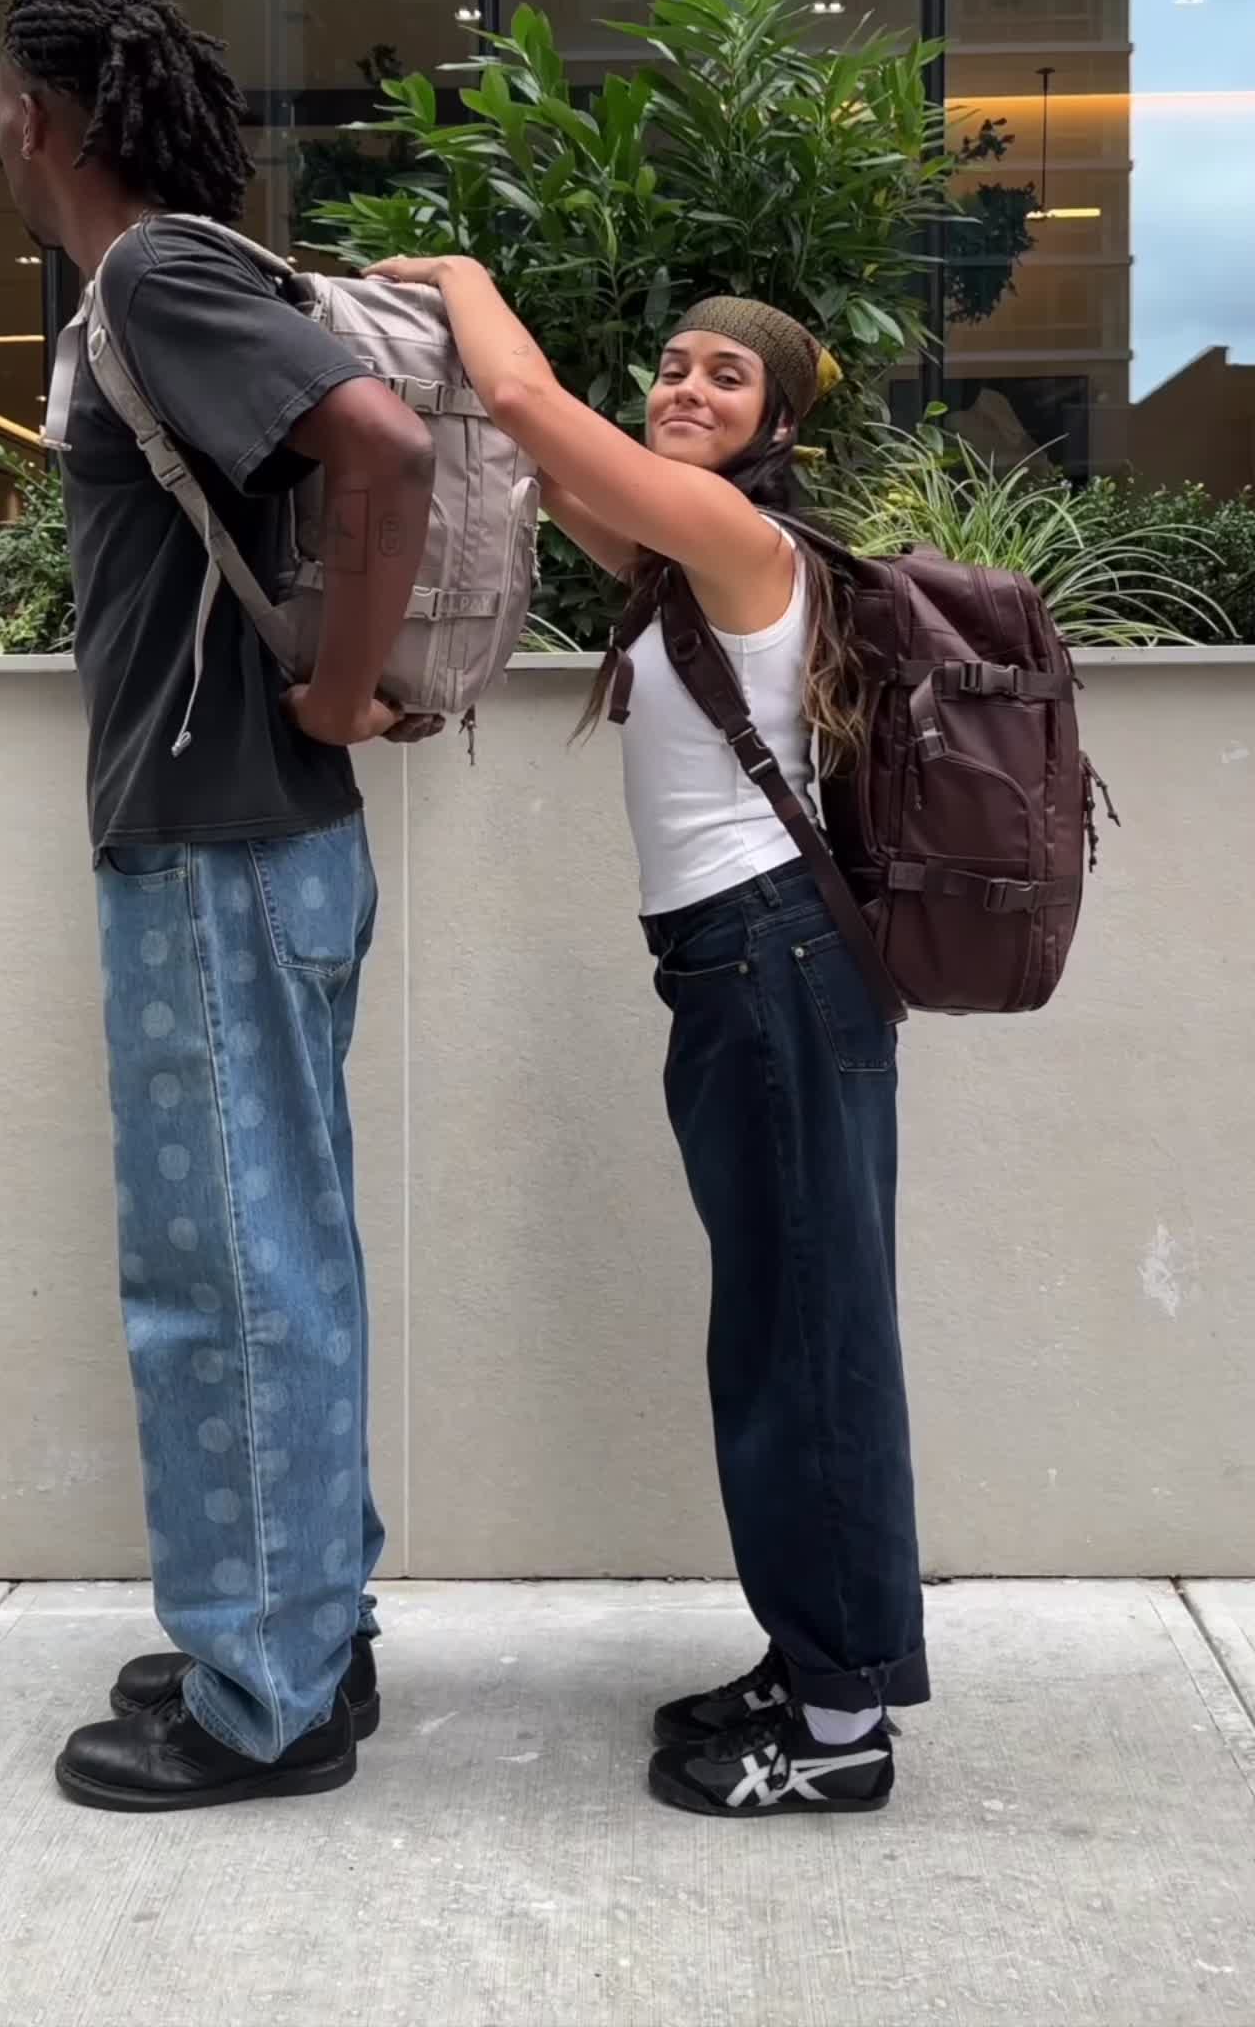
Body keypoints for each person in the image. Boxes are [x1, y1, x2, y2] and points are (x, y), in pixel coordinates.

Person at [375, 253, 928, 1819]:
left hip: (773, 965)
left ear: (780, 424)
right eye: (675, 366)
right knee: (782, 1330)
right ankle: (813, 1659)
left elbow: (525, 398)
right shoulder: (683, 551)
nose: (685, 386)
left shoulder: (737, 539)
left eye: (724, 376)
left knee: (804, 1340)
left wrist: (463, 275)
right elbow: (545, 461)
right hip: (742, 971)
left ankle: (840, 1728)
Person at [0, 0, 436, 1812]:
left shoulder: (157, 276)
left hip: (217, 841)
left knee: (227, 1273)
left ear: (47, 118)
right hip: (251, 843)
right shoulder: (183, 278)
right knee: (279, 1256)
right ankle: (304, 1629)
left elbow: (386, 446)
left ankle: (265, 1695)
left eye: (2, 101)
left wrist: (336, 692)